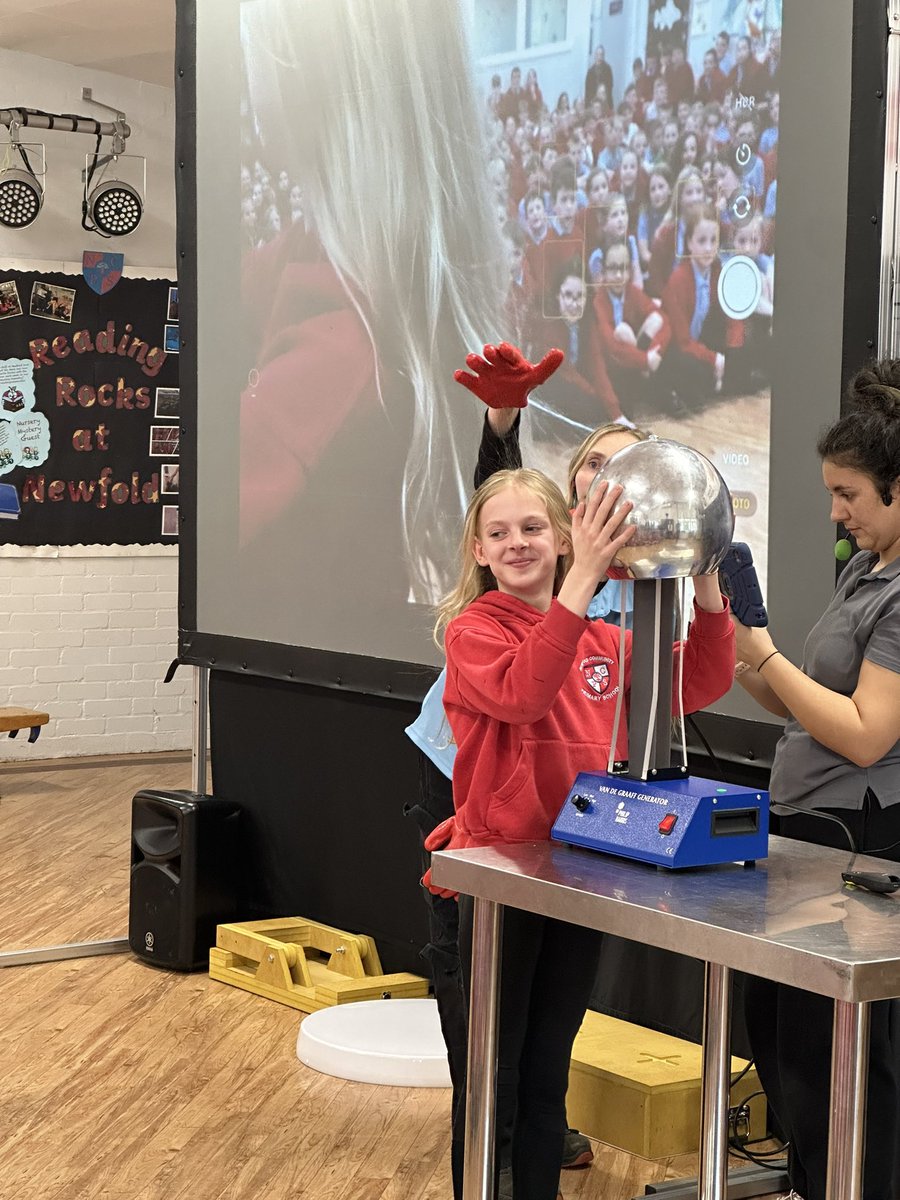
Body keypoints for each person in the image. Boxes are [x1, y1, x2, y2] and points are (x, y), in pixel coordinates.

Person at [426, 460, 735, 1200]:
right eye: (498, 533)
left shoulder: (602, 640)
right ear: (477, 550)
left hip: (573, 876)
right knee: (492, 1077)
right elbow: (523, 692)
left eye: (533, 528)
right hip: (496, 878)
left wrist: (707, 591)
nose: (517, 543)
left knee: (544, 1071)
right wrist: (579, 583)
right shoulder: (472, 632)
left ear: (563, 536)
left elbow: (696, 684)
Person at [406, 343, 631, 1200]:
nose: (610, 487)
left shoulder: (634, 585)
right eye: (595, 471)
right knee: (483, 1018)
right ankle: (488, 1155)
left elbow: (687, 672)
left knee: (546, 1041)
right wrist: (502, 424)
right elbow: (500, 518)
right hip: (476, 798)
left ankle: (531, 1147)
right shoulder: (530, 575)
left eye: (628, 471)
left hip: (565, 838)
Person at [732, 359, 900, 1200]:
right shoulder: (862, 570)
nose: (836, 511)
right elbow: (803, 704)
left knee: (830, 1059)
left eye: (851, 494)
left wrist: (765, 655)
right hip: (808, 834)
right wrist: (741, 638)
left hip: (860, 845)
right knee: (780, 1039)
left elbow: (868, 735)